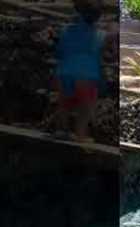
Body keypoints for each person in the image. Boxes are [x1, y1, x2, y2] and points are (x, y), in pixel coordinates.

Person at [53, 0, 117, 143]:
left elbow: (59, 52)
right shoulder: (101, 35)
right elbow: (111, 50)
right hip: (86, 76)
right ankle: (80, 135)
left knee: (64, 105)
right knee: (85, 108)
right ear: (98, 17)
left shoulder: (65, 30)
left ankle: (62, 131)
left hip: (63, 73)